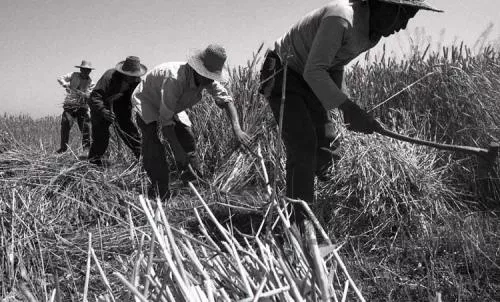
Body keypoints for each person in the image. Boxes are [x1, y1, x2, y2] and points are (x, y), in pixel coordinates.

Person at [258, 0, 442, 222]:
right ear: (384, 6)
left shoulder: (371, 35)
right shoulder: (342, 17)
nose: (402, 26)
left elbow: (335, 65)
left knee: (328, 144)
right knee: (303, 144)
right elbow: (314, 70)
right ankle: (300, 223)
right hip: (284, 72)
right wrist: (348, 108)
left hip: (310, 75)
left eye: (409, 20)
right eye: (402, 16)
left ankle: (329, 216)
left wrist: (348, 107)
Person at [132, 44, 251, 199]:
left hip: (173, 105)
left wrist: (237, 129)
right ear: (198, 70)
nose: (212, 80)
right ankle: (159, 190)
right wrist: (176, 150)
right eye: (209, 75)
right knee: (152, 142)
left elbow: (227, 101)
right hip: (148, 100)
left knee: (187, 139)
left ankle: (194, 186)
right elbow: (166, 122)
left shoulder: (207, 80)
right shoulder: (174, 79)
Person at [88, 56, 146, 166]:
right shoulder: (109, 76)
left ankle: (142, 158)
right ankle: (93, 163)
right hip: (102, 107)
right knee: (101, 138)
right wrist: (103, 111)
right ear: (124, 73)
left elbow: (138, 98)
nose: (134, 79)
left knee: (130, 133)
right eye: (131, 76)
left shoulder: (136, 81)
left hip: (121, 106)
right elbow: (94, 97)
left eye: (135, 76)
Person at [56, 60, 94, 154]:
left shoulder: (91, 82)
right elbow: (60, 78)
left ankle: (86, 150)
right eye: (84, 69)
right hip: (70, 104)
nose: (86, 72)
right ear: (80, 69)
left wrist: (84, 94)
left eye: (88, 70)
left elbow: (90, 95)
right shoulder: (73, 75)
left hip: (82, 106)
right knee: (65, 123)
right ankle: (63, 148)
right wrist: (65, 85)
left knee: (86, 128)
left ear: (90, 71)